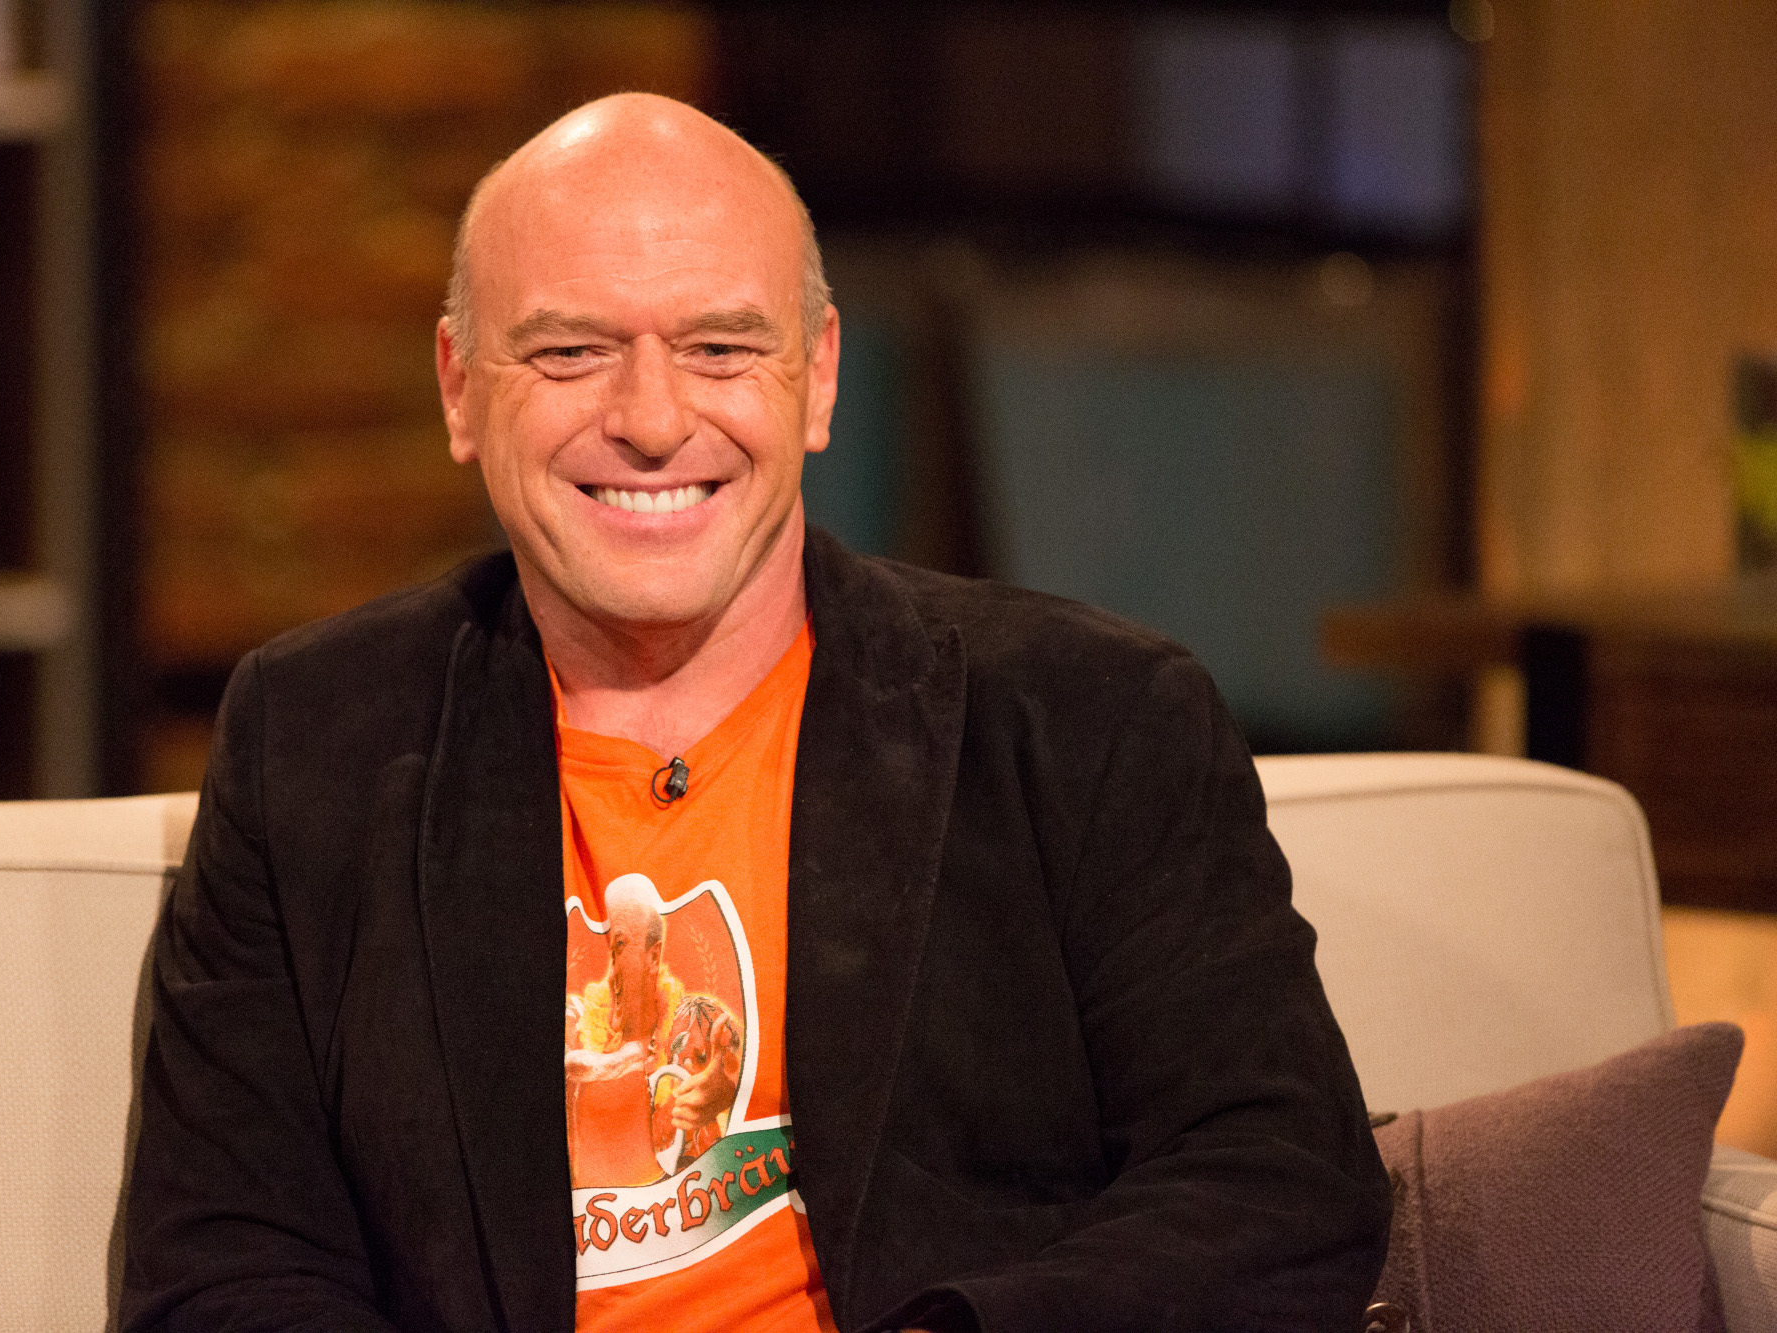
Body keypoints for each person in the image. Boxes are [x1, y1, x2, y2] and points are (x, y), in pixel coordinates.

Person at [119, 93, 1391, 1333]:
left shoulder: (1089, 722)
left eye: (720, 348)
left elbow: (1278, 1180)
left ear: (818, 376)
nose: (651, 420)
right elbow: (222, 1271)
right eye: (569, 352)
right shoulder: (313, 744)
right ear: (460, 387)